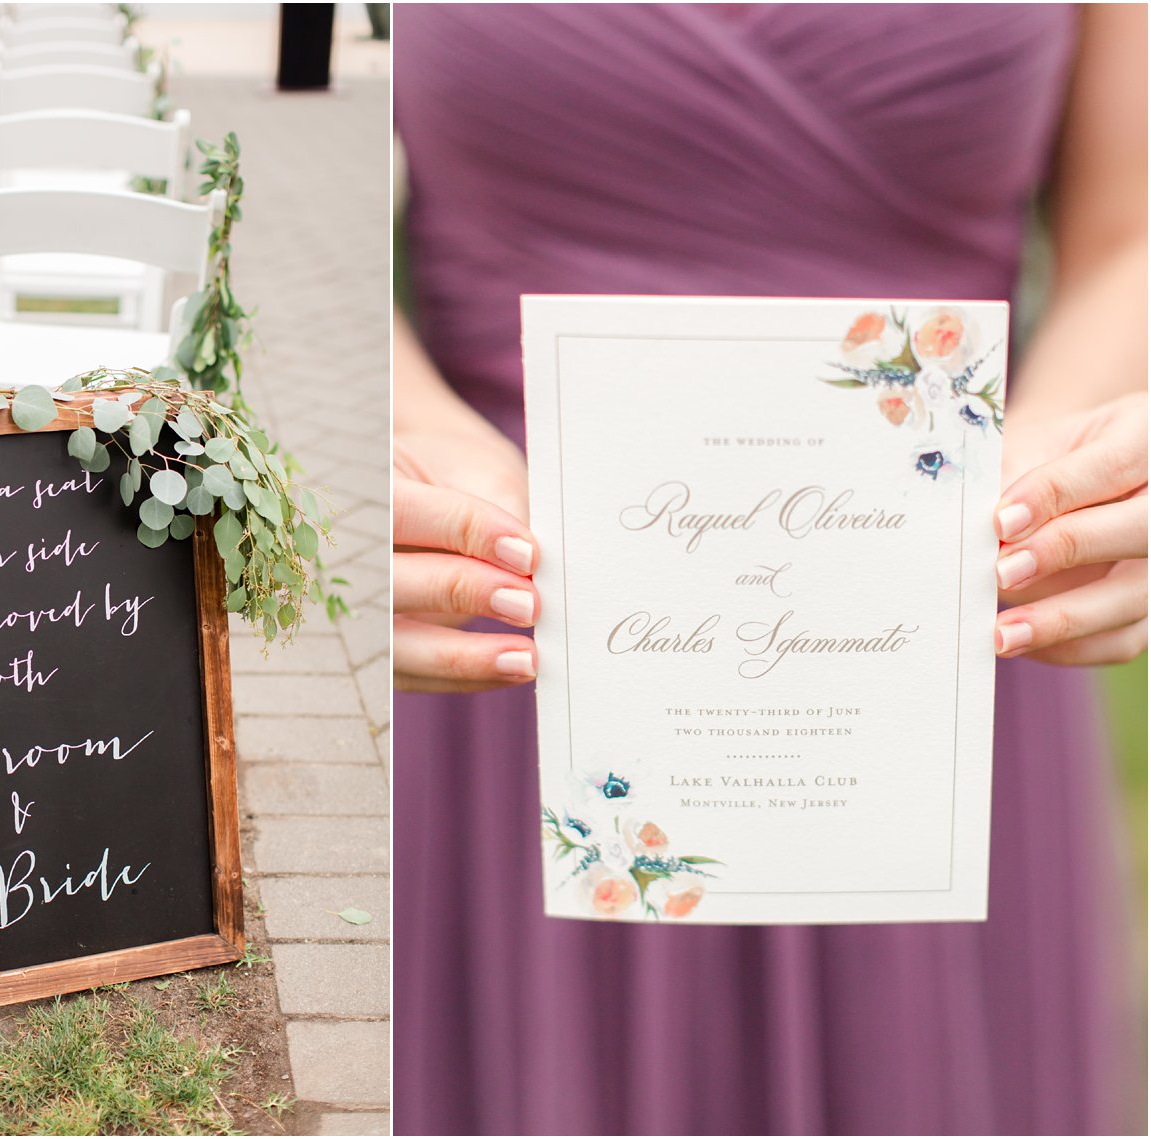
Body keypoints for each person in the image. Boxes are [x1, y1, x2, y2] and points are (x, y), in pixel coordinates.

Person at [391, 5, 1146, 1134]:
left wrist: (1075, 460)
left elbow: (1126, 233)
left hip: (947, 633)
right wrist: (392, 418)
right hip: (519, 623)